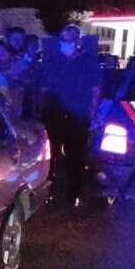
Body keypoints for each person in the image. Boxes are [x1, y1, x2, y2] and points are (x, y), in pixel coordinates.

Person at [39, 25, 103, 203]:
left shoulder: (88, 62)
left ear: (78, 41)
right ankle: (49, 189)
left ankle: (73, 192)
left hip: (78, 115)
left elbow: (95, 89)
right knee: (51, 152)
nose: (65, 44)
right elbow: (44, 88)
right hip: (55, 113)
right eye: (63, 40)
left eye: (69, 40)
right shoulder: (54, 62)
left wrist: (92, 112)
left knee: (76, 153)